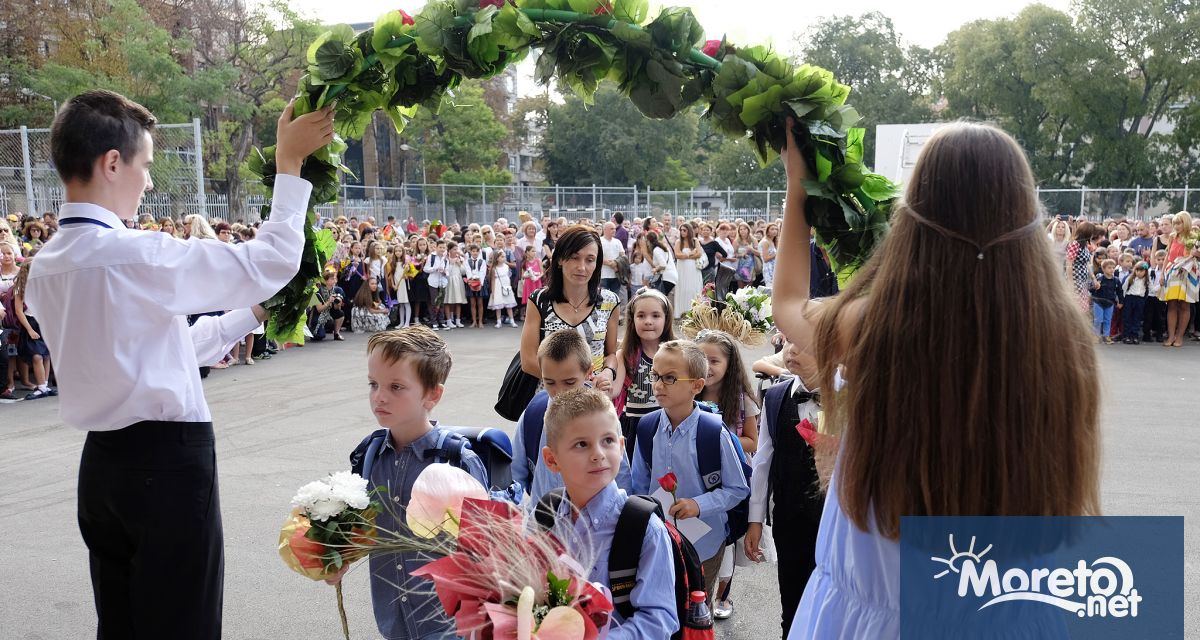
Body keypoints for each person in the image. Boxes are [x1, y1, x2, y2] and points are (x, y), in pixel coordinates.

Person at [24, 90, 334, 639]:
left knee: (122, 624)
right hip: (165, 463)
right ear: (112, 162)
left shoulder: (46, 265)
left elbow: (162, 354)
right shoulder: (132, 252)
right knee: (184, 624)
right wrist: (288, 165)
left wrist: (252, 313)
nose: (147, 181)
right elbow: (269, 260)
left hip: (102, 467)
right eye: (144, 165)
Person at [772, 120, 1099, 638]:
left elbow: (787, 301)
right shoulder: (1062, 340)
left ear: (916, 213)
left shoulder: (874, 327)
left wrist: (798, 190)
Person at [343, 328, 490, 639]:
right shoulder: (370, 455)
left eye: (396, 386)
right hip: (391, 618)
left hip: (449, 626)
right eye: (373, 384)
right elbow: (364, 527)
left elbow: (483, 546)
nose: (379, 396)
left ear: (432, 395)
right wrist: (335, 555)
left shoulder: (457, 461)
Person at [539, 387, 679, 639]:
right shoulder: (545, 517)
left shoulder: (643, 529)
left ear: (622, 446)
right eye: (581, 444)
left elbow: (660, 620)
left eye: (608, 441)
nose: (598, 454)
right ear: (552, 460)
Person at [630, 340, 750, 604]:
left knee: (697, 611)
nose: (659, 385)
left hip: (705, 543)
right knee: (662, 606)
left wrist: (698, 504)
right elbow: (638, 486)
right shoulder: (647, 427)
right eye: (656, 376)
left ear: (697, 385)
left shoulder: (713, 433)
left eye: (670, 378)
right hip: (659, 540)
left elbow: (737, 488)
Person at [746, 336, 823, 638]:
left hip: (834, 521)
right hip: (789, 519)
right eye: (789, 342)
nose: (792, 351)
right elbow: (762, 461)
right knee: (791, 600)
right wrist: (755, 520)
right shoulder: (776, 397)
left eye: (804, 344)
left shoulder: (851, 397)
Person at [512, 329, 633, 505]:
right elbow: (514, 475)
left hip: (598, 526)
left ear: (588, 372)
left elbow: (621, 475)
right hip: (544, 524)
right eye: (550, 382)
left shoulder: (603, 415)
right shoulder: (533, 413)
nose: (559, 392)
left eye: (569, 382)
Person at [694, 329, 759, 620]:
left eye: (714, 360)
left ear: (730, 364)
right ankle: (699, 588)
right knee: (702, 531)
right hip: (699, 473)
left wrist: (722, 440)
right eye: (701, 359)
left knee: (728, 535)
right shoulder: (690, 393)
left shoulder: (742, 399)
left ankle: (723, 594)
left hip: (732, 474)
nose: (707, 366)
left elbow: (753, 441)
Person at [519, 226, 619, 396]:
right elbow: (528, 360)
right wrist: (569, 383)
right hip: (550, 399)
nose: (582, 267)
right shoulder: (540, 300)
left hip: (593, 400)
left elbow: (610, 354)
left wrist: (608, 372)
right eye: (574, 257)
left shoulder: (609, 301)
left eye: (590, 259)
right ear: (559, 260)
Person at [613, 289, 675, 458]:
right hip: (635, 425)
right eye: (641, 316)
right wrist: (601, 383)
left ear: (666, 319)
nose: (648, 321)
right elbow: (615, 390)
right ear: (632, 320)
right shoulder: (625, 354)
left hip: (668, 422)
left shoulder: (676, 353)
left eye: (656, 316)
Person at [1160, 211, 1195, 348]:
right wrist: (1162, 274)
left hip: (1188, 273)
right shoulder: (1173, 237)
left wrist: (1195, 253)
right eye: (1175, 223)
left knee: (1185, 305)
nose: (1176, 226)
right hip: (1172, 272)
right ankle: (1170, 336)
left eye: (1179, 223)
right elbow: (1168, 256)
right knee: (1172, 304)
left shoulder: (1194, 237)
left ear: (1186, 222)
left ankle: (1180, 337)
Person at [1065, 221, 1101, 315]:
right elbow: (1069, 264)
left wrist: (1094, 279)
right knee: (1077, 309)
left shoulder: (1084, 245)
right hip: (1075, 280)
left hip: (1083, 280)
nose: (1093, 235)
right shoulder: (1075, 244)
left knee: (1084, 308)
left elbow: (1087, 264)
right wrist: (1070, 283)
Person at [673, 222, 704, 317]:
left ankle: (694, 311)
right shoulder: (678, 242)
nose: (682, 232)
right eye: (681, 230)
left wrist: (686, 256)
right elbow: (677, 255)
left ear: (689, 231)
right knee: (682, 288)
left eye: (684, 230)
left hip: (693, 268)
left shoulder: (695, 241)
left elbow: (698, 254)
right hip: (682, 268)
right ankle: (681, 311)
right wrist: (690, 254)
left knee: (692, 288)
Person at [1121, 261, 1151, 344]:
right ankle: (1126, 335)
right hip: (1129, 298)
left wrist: (1160, 285)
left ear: (1145, 272)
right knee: (1127, 317)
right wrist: (1122, 300)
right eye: (1137, 270)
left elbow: (1152, 289)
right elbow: (1124, 288)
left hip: (1140, 300)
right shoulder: (1131, 278)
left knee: (1137, 318)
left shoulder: (1147, 280)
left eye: (1141, 271)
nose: (1139, 273)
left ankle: (1134, 335)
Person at [488, 248, 518, 327]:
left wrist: (509, 287)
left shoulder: (506, 266)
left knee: (509, 305)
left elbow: (508, 277)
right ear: (497, 258)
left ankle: (512, 321)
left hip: (506, 286)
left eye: (504, 256)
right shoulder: (494, 268)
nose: (504, 258)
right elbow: (493, 280)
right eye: (502, 257)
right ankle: (498, 321)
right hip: (498, 287)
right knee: (498, 305)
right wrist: (493, 291)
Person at [424, 240, 449, 330]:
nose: (442, 249)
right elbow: (425, 269)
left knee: (441, 302)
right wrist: (435, 268)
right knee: (434, 302)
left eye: (444, 247)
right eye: (440, 247)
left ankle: (441, 321)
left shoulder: (446, 258)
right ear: (436, 247)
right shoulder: (432, 257)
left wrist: (445, 272)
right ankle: (434, 321)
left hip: (443, 283)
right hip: (433, 282)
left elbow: (448, 271)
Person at [463, 243, 489, 328]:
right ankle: (474, 321)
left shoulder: (482, 261)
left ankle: (480, 321)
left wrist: (480, 283)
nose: (474, 253)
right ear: (470, 251)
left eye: (476, 251)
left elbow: (483, 272)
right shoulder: (467, 261)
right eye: (473, 251)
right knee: (473, 303)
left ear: (479, 252)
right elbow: (468, 271)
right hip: (471, 283)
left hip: (480, 283)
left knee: (480, 303)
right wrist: (471, 281)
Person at [443, 241, 467, 328]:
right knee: (448, 301)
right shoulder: (445, 259)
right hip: (448, 281)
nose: (456, 251)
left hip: (458, 281)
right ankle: (449, 320)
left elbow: (464, 271)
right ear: (449, 250)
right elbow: (445, 271)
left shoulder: (460, 258)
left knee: (458, 301)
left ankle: (458, 320)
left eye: (457, 249)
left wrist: (460, 264)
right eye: (454, 249)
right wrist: (451, 263)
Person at [600, 221, 626, 298]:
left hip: (616, 275)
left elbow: (623, 256)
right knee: (603, 298)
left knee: (615, 298)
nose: (614, 230)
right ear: (605, 230)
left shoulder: (617, 242)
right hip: (603, 275)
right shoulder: (599, 241)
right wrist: (606, 262)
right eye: (611, 229)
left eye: (614, 229)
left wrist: (615, 262)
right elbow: (595, 257)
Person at [759, 222, 780, 289]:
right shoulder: (765, 242)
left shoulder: (772, 241)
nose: (774, 231)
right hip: (768, 269)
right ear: (767, 231)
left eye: (776, 229)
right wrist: (777, 254)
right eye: (772, 229)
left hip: (774, 268)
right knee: (770, 288)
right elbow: (765, 258)